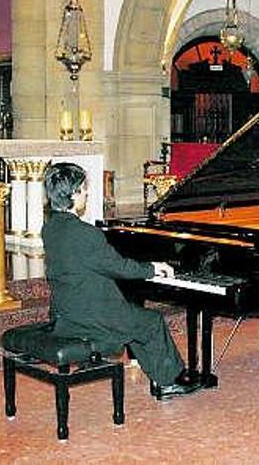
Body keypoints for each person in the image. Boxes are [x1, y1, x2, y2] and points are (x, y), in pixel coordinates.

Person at [42, 162, 201, 399]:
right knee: (151, 321)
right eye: (84, 189)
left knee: (135, 320)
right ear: (73, 193)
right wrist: (152, 268)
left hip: (66, 311)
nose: (86, 193)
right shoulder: (85, 233)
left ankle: (161, 375)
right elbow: (119, 266)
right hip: (92, 315)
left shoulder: (50, 227)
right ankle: (170, 382)